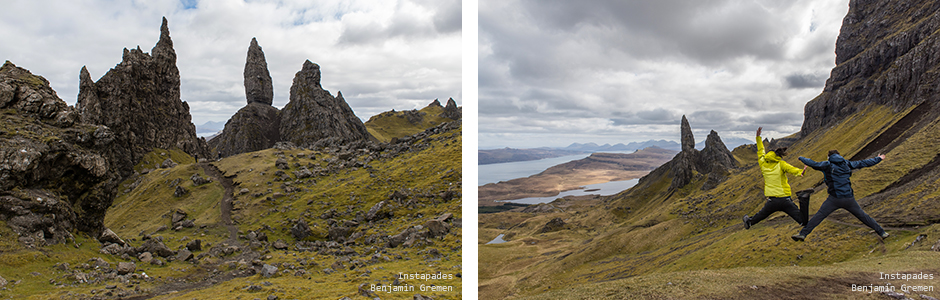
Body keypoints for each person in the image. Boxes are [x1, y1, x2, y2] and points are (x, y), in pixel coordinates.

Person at [791, 150, 888, 241]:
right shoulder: (847, 163)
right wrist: (878, 158)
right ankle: (882, 232)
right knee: (863, 216)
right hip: (848, 198)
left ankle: (803, 234)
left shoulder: (827, 165)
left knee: (819, 216)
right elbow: (864, 163)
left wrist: (801, 158)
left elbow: (813, 163)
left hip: (834, 199)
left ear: (829, 157)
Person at [743, 127, 808, 229]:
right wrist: (801, 172)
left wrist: (758, 138)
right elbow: (791, 169)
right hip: (785, 199)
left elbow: (760, 151)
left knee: (760, 215)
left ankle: (749, 222)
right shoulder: (781, 164)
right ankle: (804, 199)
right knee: (802, 221)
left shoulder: (763, 163)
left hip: (772, 201)